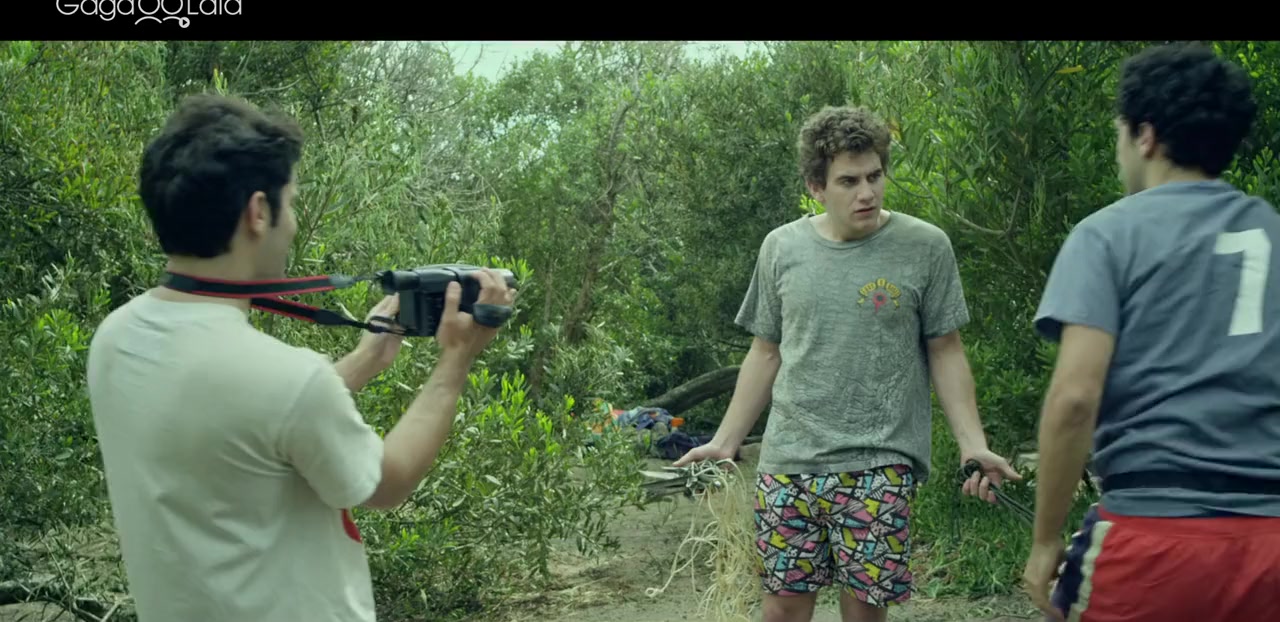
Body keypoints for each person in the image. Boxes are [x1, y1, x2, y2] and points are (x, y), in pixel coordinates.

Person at [85, 93, 514, 622]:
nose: (291, 222)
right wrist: (455, 360)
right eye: (291, 203)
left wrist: (365, 360)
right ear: (258, 212)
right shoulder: (287, 378)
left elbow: (244, 424)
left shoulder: (116, 337)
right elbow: (387, 482)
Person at [674, 104, 1020, 622]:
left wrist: (973, 444)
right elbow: (766, 352)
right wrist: (726, 442)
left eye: (875, 176)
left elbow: (946, 349)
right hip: (787, 463)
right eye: (849, 181)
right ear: (816, 186)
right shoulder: (781, 248)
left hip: (879, 463)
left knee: (862, 613)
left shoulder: (925, 247)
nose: (867, 193)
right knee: (781, 611)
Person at [1024, 42, 1280, 622]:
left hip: (1152, 535)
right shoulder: (1271, 229)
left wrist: (1045, 539)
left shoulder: (1107, 234)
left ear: (1145, 136)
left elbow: (1075, 398)